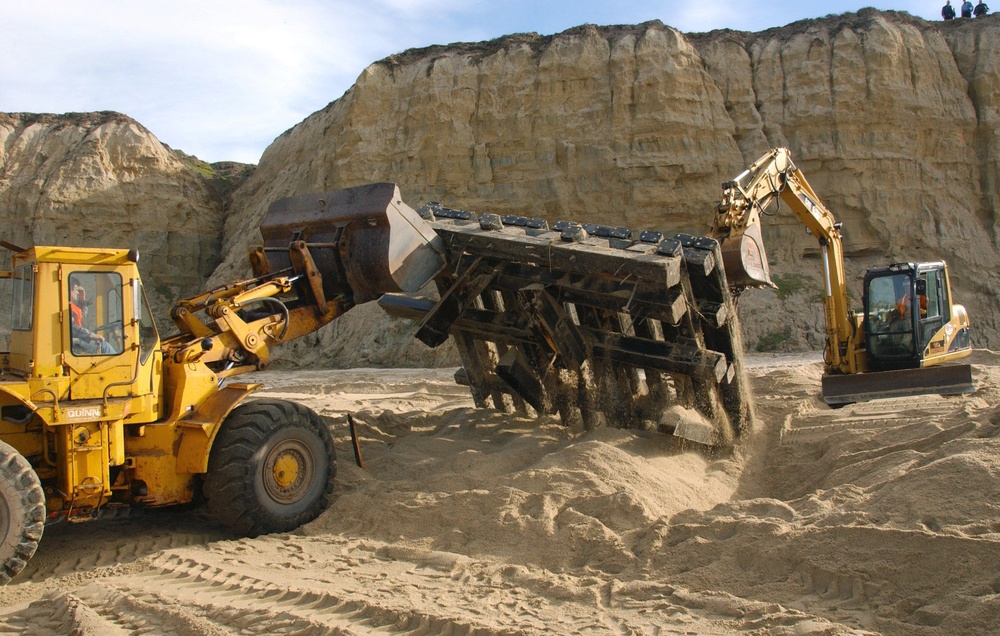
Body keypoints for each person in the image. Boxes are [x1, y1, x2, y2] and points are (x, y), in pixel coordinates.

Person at [70, 284, 114, 354]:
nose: (78, 293)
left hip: (76, 339)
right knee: (105, 347)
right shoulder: (64, 308)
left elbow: (81, 317)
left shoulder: (70, 307)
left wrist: (82, 300)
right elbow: (71, 327)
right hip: (72, 342)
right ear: (68, 291)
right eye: (76, 290)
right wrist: (91, 335)